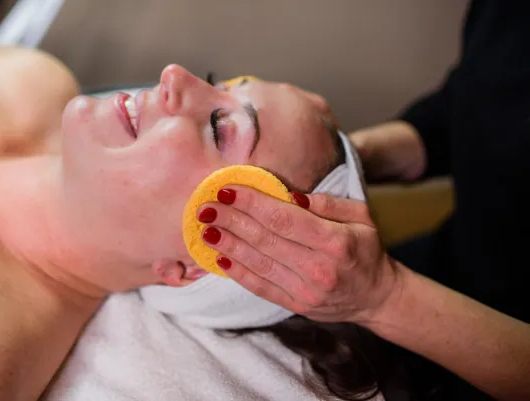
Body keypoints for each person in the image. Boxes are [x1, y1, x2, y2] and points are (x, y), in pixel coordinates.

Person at [0, 38, 396, 401]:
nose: (176, 76)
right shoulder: (30, 81)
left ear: (193, 264)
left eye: (220, 128)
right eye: (219, 82)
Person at [199, 1, 530, 400]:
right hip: (456, 259)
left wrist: (387, 297)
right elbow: (480, 100)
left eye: (219, 129)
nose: (172, 78)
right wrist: (347, 159)